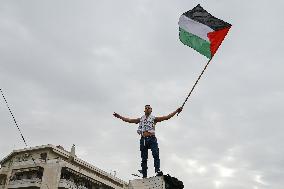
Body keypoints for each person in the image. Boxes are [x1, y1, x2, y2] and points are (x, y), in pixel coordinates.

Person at [113, 105, 182, 178]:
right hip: (143, 139)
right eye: (146, 108)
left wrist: (176, 111)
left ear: (151, 110)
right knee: (144, 158)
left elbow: (167, 117)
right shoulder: (141, 119)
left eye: (149, 108)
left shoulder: (154, 119)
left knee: (155, 154)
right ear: (144, 110)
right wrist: (119, 116)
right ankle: (144, 174)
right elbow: (130, 120)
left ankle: (157, 170)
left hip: (152, 138)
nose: (147, 109)